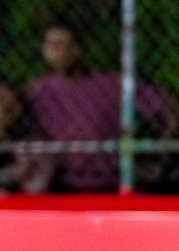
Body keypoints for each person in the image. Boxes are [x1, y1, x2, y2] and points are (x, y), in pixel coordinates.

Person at [22, 21, 176, 193]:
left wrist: (164, 155)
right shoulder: (39, 90)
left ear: (76, 49)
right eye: (48, 44)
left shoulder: (111, 84)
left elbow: (165, 107)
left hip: (108, 182)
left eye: (59, 44)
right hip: (59, 183)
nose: (52, 50)